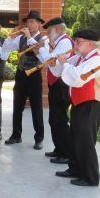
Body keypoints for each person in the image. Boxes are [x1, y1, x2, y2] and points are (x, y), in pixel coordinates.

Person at [52, 29, 100, 187]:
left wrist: (65, 63)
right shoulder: (82, 57)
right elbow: (60, 71)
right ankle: (75, 169)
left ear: (90, 43)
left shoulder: (96, 59)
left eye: (78, 41)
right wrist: (57, 60)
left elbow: (77, 78)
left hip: (91, 103)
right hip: (79, 102)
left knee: (85, 141)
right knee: (75, 137)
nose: (75, 44)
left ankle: (90, 177)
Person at [2, 10, 48, 149]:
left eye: (32, 21)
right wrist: (11, 36)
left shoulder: (43, 40)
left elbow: (42, 58)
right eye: (28, 21)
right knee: (17, 106)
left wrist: (29, 37)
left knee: (36, 108)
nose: (29, 24)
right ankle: (16, 135)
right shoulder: (20, 38)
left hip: (34, 75)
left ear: (39, 24)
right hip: (21, 75)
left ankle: (39, 138)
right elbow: (6, 48)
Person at [38, 18, 74, 164]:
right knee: (54, 118)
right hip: (56, 84)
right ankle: (58, 148)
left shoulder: (65, 42)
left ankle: (65, 153)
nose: (47, 32)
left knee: (59, 119)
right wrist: (40, 51)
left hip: (61, 84)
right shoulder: (57, 43)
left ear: (57, 29)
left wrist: (40, 48)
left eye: (49, 29)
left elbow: (53, 63)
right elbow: (48, 61)